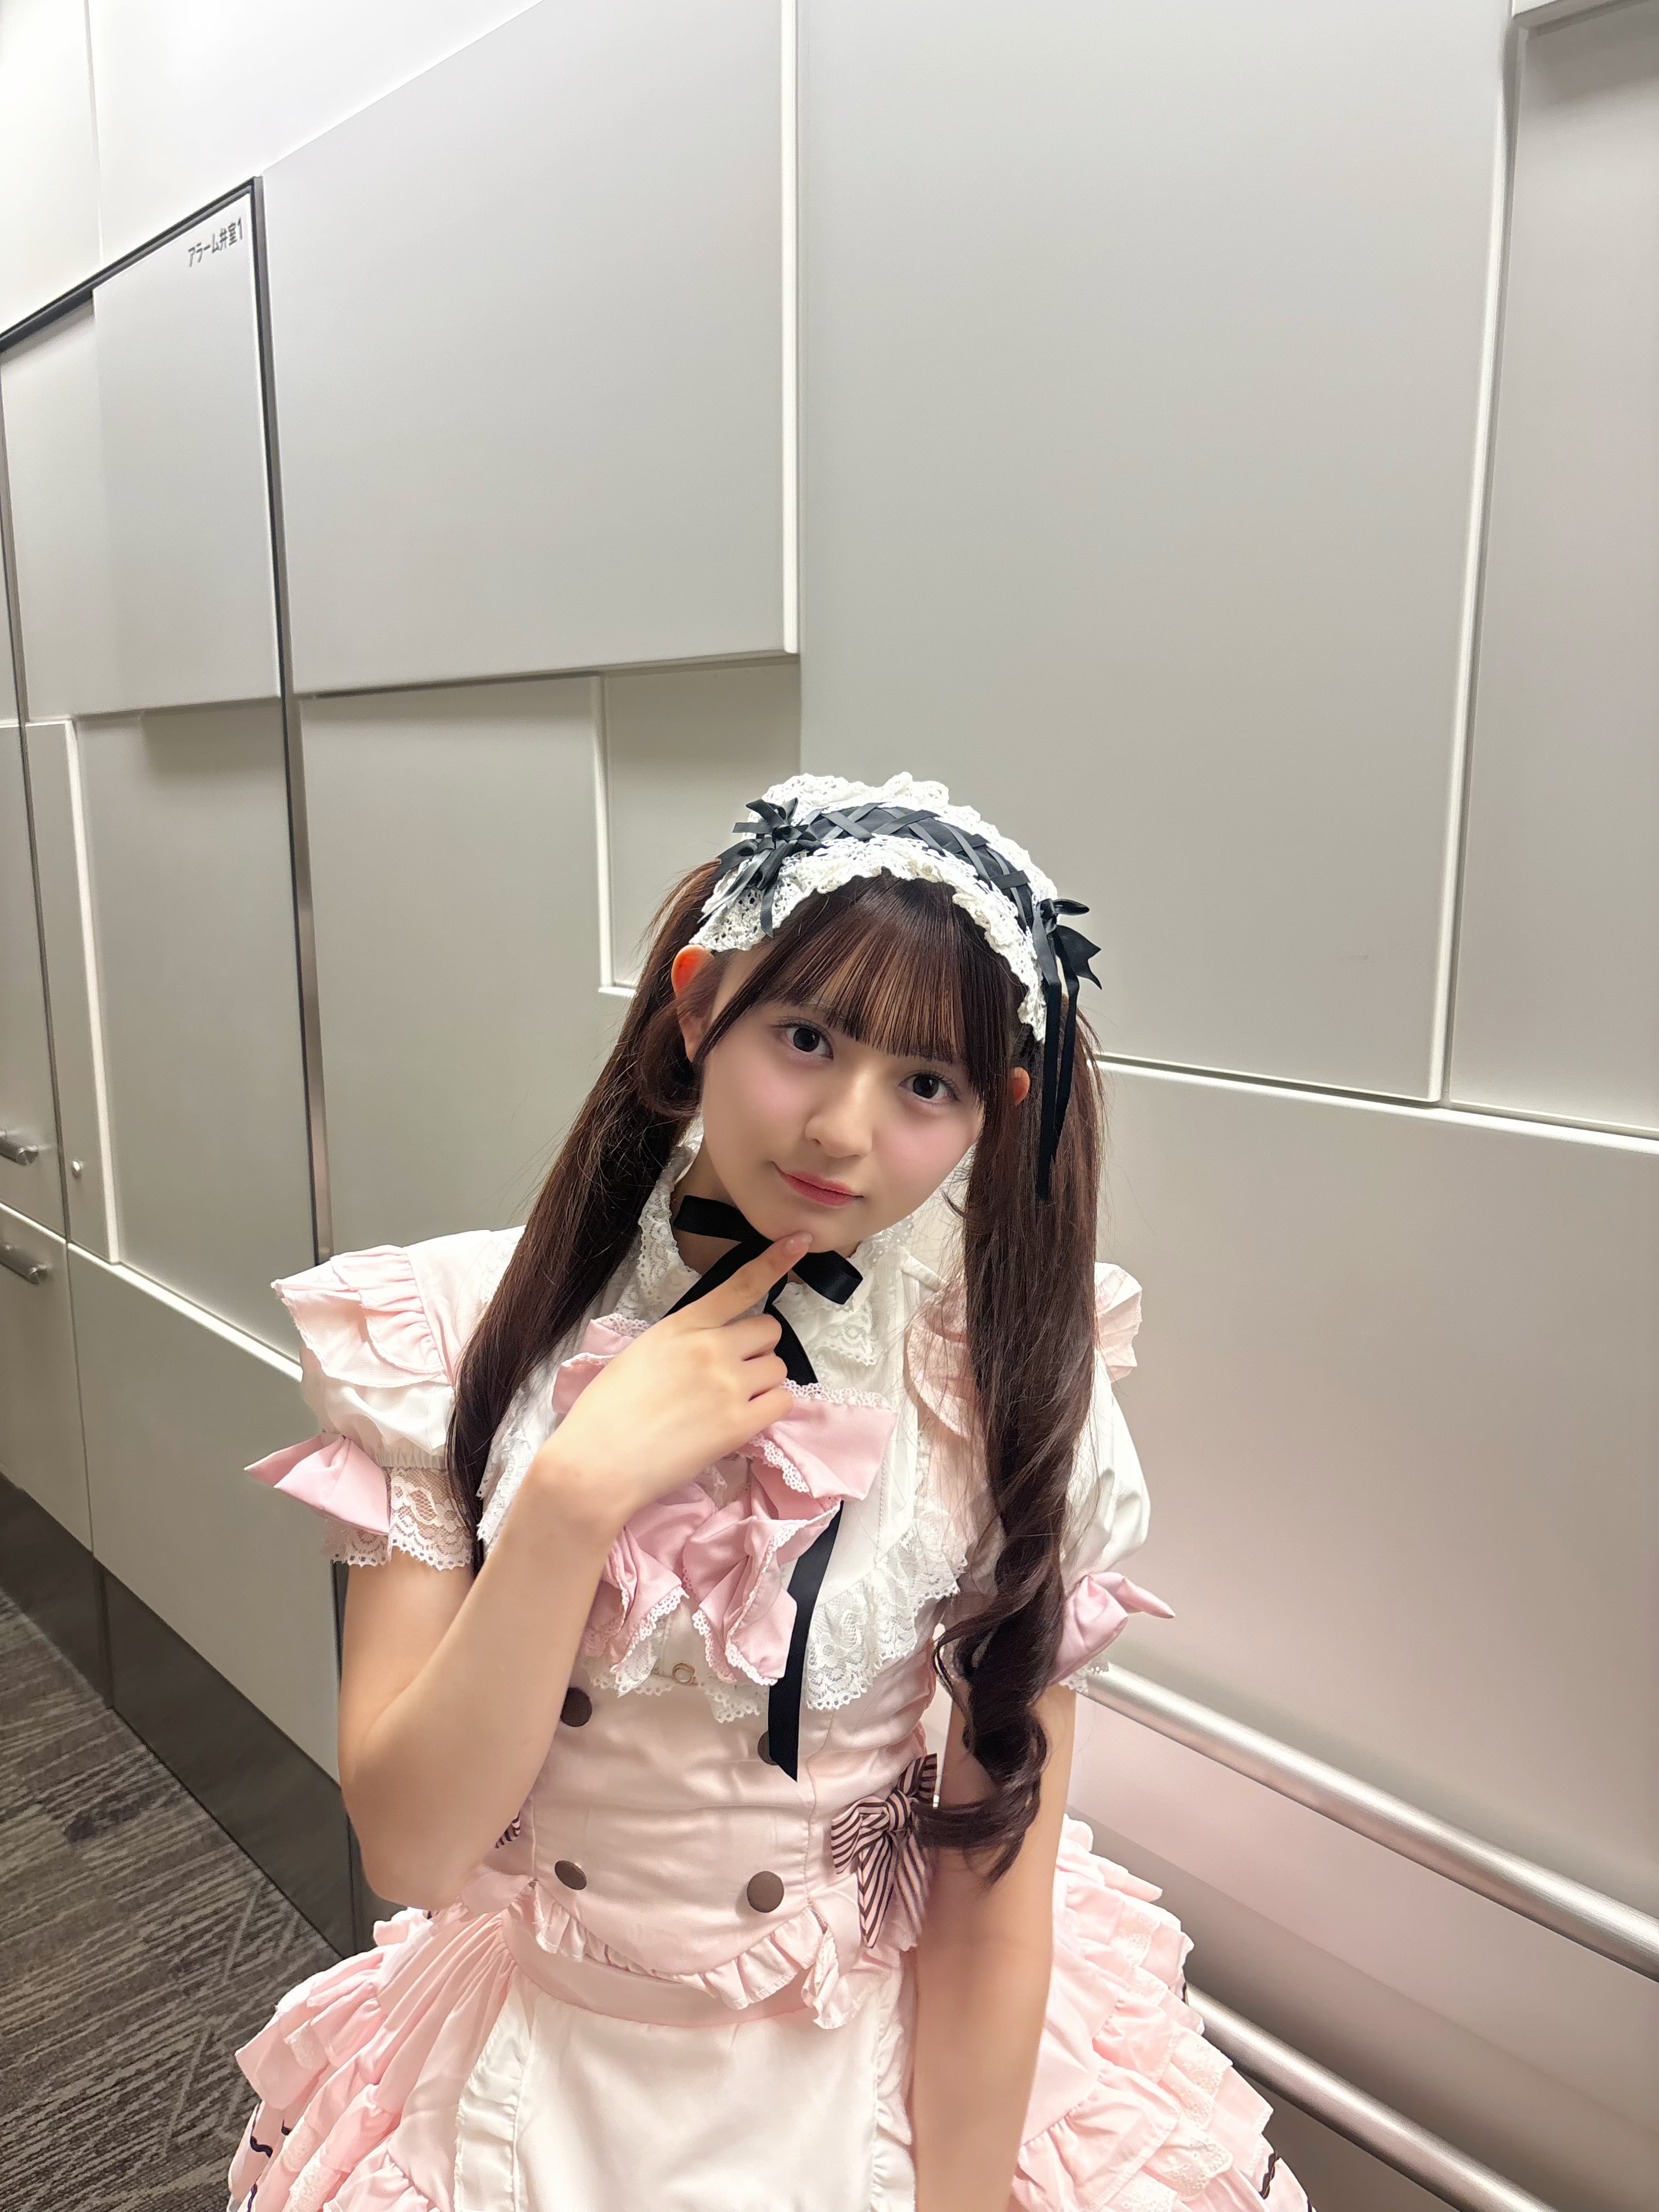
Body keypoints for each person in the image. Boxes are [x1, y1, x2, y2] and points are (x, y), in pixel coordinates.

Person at [230, 772, 1308, 2211]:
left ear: (994, 1113)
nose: (844, 1133)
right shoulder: (451, 1335)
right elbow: (414, 1849)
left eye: (925, 1085)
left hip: (862, 2090)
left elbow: (990, 1896)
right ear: (698, 1010)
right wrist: (572, 1500)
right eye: (806, 1039)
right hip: (538, 2082)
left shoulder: (1001, 1386)